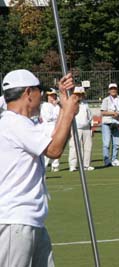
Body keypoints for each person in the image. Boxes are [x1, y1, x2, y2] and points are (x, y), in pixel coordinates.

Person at [0, 69, 78, 266]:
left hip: (31, 219)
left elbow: (54, 135)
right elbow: (53, 150)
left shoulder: (24, 124)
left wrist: (63, 102)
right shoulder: (12, 123)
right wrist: (68, 112)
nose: (41, 96)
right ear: (28, 93)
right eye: (38, 91)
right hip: (15, 219)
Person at [68, 86, 94, 172]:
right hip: (76, 128)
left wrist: (91, 127)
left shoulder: (85, 104)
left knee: (88, 147)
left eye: (81, 94)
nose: (80, 96)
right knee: (74, 147)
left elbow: (90, 117)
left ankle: (86, 165)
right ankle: (73, 165)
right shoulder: (71, 104)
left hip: (86, 128)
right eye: (78, 94)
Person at [101, 83, 119, 167]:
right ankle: (107, 160)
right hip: (107, 123)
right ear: (109, 90)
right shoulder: (105, 100)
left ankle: (114, 159)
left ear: (117, 90)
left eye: (115, 88)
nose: (113, 90)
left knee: (116, 143)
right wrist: (113, 113)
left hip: (116, 123)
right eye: (111, 89)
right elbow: (103, 112)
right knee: (106, 143)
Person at [41, 88, 61, 172]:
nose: (52, 97)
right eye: (51, 95)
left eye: (53, 95)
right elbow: (48, 118)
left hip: (56, 126)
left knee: (57, 145)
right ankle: (44, 165)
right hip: (48, 128)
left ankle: (55, 165)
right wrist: (56, 117)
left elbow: (60, 115)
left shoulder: (57, 106)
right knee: (47, 146)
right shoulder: (45, 105)